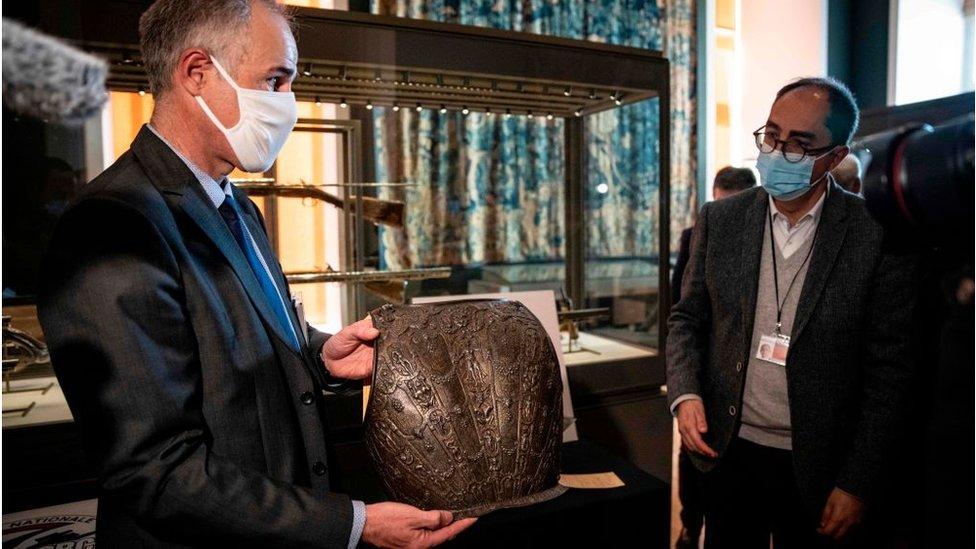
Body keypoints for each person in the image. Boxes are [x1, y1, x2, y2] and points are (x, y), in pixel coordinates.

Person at [37, 1, 475, 547]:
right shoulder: (112, 224)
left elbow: (246, 347)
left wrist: (323, 355)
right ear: (197, 73)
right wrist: (354, 525)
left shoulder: (236, 207)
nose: (288, 103)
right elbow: (155, 473)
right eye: (274, 80)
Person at [666, 77, 915, 548]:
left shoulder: (874, 234)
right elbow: (686, 318)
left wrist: (858, 481)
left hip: (820, 460)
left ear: (835, 157)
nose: (778, 153)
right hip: (728, 448)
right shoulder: (720, 219)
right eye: (772, 136)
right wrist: (685, 393)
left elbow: (892, 372)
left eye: (800, 145)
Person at [670, 166, 755, 549]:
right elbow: (682, 305)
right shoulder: (698, 233)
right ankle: (690, 524)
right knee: (692, 457)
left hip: (741, 381)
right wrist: (683, 380)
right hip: (701, 369)